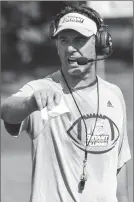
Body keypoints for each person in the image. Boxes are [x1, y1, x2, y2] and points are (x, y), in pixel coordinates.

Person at [1, 5, 131, 202]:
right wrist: (30, 103)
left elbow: (119, 166)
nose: (71, 48)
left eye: (80, 40)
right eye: (64, 40)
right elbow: (7, 110)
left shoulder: (114, 94)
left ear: (99, 43)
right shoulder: (41, 88)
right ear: (57, 46)